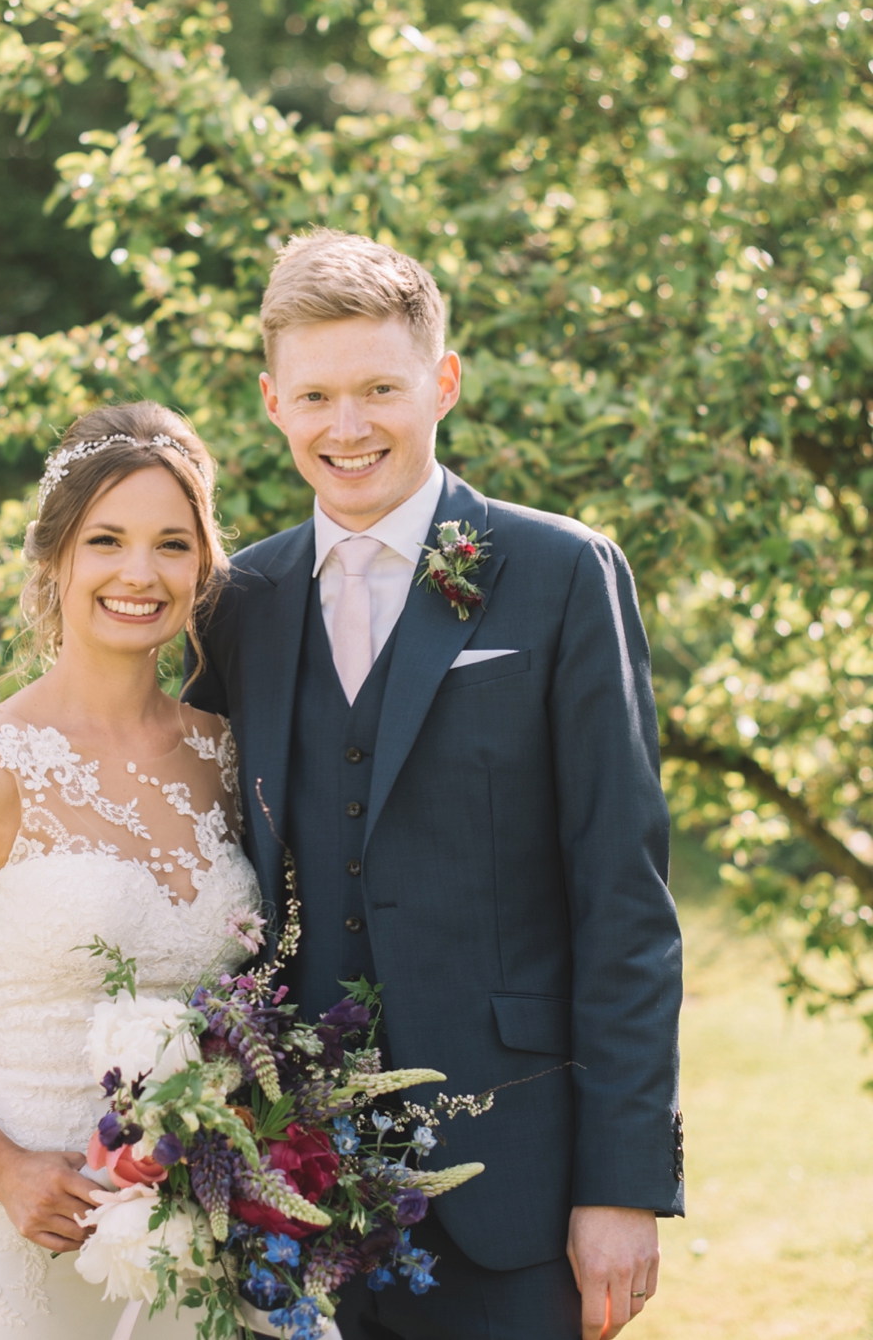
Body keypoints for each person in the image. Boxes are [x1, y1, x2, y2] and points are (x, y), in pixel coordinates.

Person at [179, 230, 683, 1340]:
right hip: (291, 1185)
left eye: (379, 389)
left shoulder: (560, 573)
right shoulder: (237, 600)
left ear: (442, 383)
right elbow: (184, 837)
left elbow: (624, 901)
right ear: (273, 403)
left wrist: (624, 1182)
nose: (346, 426)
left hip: (518, 1181)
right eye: (315, 394)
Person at [0, 402, 261, 1340]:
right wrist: (1, 1167)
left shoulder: (230, 758)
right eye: (107, 539)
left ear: (204, 566)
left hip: (198, 1229)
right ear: (55, 557)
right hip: (18, 1222)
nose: (139, 574)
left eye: (172, 544)